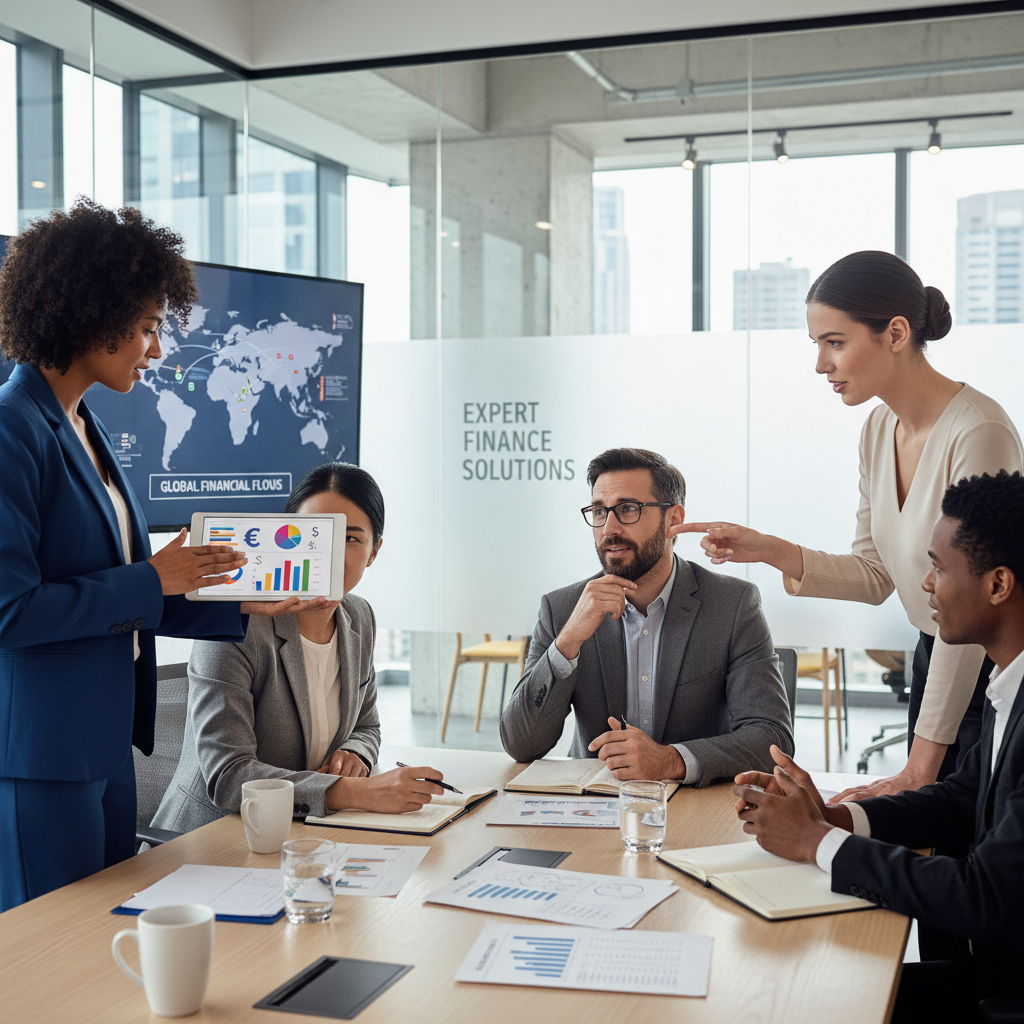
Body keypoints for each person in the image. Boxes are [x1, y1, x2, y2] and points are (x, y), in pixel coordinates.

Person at [0, 200, 320, 912]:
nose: (156, 348)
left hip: (107, 749)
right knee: (46, 962)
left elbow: (117, 595)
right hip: (41, 757)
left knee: (98, 947)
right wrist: (154, 575)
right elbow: (10, 609)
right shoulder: (10, 430)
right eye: (146, 327)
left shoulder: (82, 427)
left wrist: (236, 601)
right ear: (90, 314)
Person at [676, 251, 1022, 802]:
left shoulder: (978, 432)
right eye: (817, 345)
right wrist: (770, 550)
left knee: (970, 852)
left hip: (989, 667)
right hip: (934, 655)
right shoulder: (878, 428)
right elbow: (875, 574)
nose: (820, 364)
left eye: (834, 342)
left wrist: (918, 766)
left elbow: (982, 600)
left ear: (896, 333)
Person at [733, 470, 1024, 1019]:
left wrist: (817, 842)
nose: (925, 584)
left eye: (938, 566)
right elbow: (961, 800)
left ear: (998, 584)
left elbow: (984, 896)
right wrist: (835, 818)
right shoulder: (1005, 684)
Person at [151, 463, 444, 833]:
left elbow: (366, 725)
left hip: (304, 831)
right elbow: (228, 775)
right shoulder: (234, 624)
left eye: (351, 538)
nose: (328, 555)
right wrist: (353, 791)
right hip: (212, 838)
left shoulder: (358, 616)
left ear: (373, 551)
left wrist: (354, 753)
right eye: (315, 537)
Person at [499, 447, 793, 784]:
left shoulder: (731, 604)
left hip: (696, 809)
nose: (609, 528)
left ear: (673, 519)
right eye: (599, 511)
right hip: (591, 812)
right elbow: (520, 745)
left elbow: (773, 740)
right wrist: (567, 642)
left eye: (627, 509)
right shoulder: (562, 609)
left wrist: (671, 761)